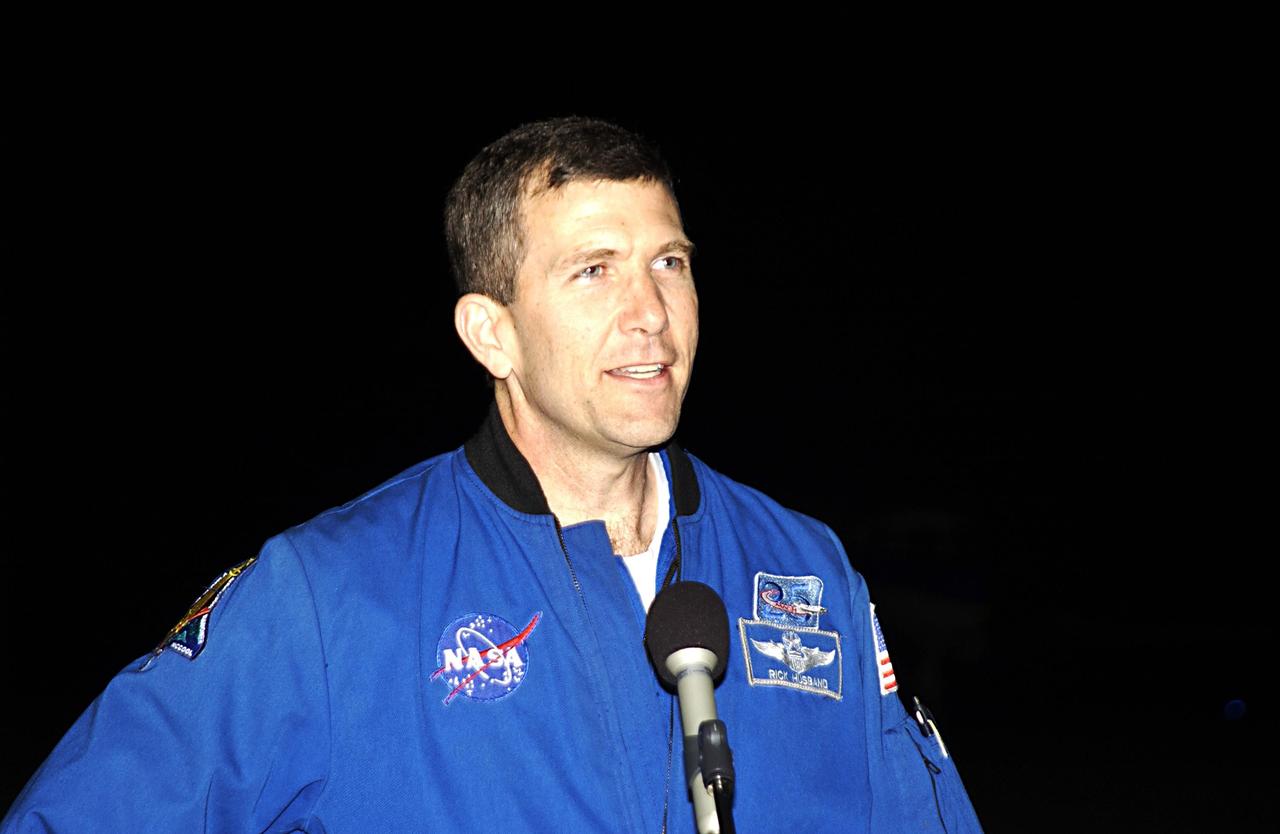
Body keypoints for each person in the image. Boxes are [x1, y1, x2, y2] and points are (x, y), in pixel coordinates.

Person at [2, 117, 982, 833]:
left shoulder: (806, 568)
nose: (649, 311)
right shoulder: (334, 598)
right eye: (593, 271)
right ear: (491, 333)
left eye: (669, 263)